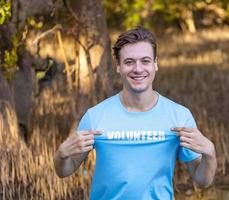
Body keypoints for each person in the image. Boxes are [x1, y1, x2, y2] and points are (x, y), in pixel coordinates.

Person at [53, 26, 217, 200]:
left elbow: (202, 181)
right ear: (118, 66)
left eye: (145, 61)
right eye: (129, 62)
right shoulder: (95, 116)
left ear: (155, 64)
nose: (138, 69)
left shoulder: (179, 116)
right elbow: (65, 170)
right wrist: (62, 153)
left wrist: (210, 153)